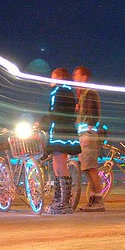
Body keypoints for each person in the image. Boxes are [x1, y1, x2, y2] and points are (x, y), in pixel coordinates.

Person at [43, 68, 81, 214]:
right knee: (59, 163)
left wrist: (43, 124)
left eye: (52, 77)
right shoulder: (69, 92)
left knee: (59, 164)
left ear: (58, 78)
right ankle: (60, 200)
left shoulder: (56, 92)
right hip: (69, 129)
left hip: (59, 130)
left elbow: (53, 113)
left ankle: (63, 203)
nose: (50, 80)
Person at [73, 66, 104, 212]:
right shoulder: (82, 94)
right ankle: (93, 200)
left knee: (91, 169)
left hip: (88, 135)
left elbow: (94, 113)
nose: (74, 77)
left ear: (84, 76)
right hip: (83, 134)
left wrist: (90, 128)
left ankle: (98, 201)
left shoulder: (90, 92)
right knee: (87, 169)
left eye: (76, 75)